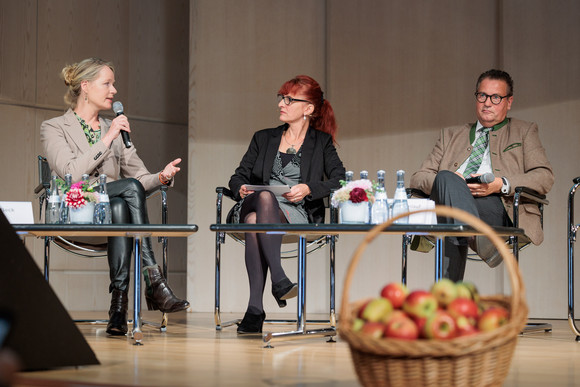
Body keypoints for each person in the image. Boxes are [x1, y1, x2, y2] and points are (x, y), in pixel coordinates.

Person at [40, 58, 189, 336]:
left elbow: (139, 179)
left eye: (113, 83)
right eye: (107, 83)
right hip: (77, 209)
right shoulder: (54, 127)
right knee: (125, 194)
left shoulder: (116, 131)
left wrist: (161, 177)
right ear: (85, 86)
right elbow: (71, 174)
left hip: (113, 214)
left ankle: (118, 309)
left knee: (122, 204)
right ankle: (153, 280)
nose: (114, 90)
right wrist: (107, 138)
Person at [410, 69, 554, 281]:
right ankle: (478, 239)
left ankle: (449, 303)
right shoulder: (449, 135)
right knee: (447, 182)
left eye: (496, 98)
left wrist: (501, 184)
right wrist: (451, 185)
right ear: (476, 98)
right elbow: (419, 176)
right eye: (482, 96)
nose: (487, 103)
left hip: (496, 205)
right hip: (451, 204)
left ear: (509, 101)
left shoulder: (524, 131)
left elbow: (544, 176)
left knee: (451, 215)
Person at [228, 75, 345, 334]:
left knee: (253, 222)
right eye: (281, 97)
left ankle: (254, 310)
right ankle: (279, 278)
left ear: (308, 109)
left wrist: (309, 188)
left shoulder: (321, 143)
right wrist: (241, 187)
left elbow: (341, 179)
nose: (282, 103)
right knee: (263, 199)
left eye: (290, 99)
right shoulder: (263, 138)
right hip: (253, 202)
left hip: (295, 212)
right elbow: (238, 176)